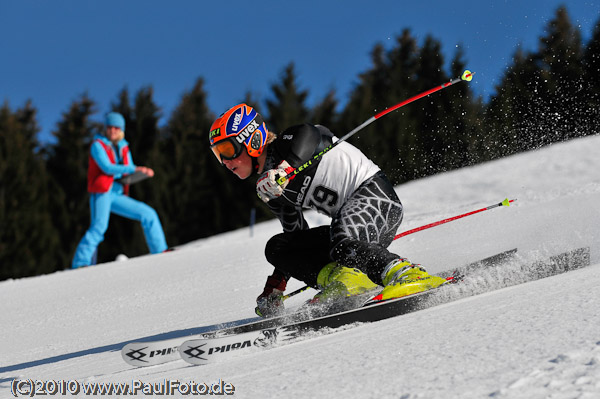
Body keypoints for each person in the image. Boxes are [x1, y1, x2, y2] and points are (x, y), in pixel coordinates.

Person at [208, 104, 446, 317]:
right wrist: (277, 283)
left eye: (227, 150)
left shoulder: (289, 145)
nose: (225, 162)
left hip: (378, 200)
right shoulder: (271, 188)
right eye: (218, 154)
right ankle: (346, 281)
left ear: (253, 139)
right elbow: (296, 233)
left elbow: (312, 133)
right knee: (278, 246)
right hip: (350, 232)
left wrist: (284, 170)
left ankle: (407, 274)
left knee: (342, 240)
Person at [71, 112, 168, 268]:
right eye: (110, 127)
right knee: (99, 226)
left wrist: (142, 172)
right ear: (106, 128)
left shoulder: (124, 147)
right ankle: (80, 263)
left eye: (116, 128)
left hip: (117, 193)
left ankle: (161, 251)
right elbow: (107, 167)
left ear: (121, 129)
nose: (113, 130)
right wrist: (134, 168)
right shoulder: (97, 145)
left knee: (148, 213)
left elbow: (128, 170)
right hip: (102, 191)